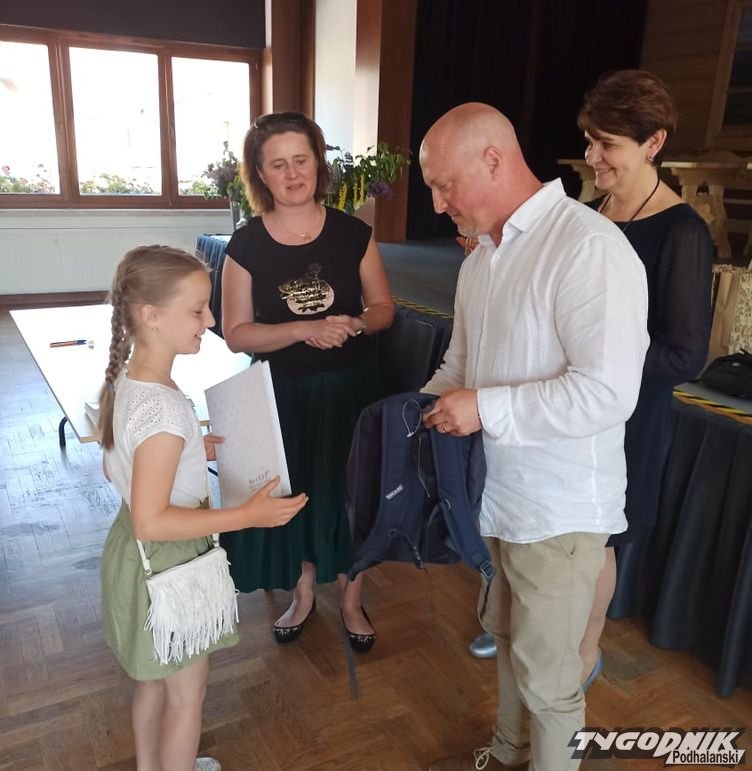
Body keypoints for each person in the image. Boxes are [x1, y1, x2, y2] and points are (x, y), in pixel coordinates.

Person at [418, 103, 649, 771]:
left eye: (443, 185)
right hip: (498, 497)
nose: (437, 205)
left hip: (560, 510)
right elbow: (460, 367)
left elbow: (607, 393)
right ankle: (509, 752)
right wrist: (411, 415)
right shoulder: (481, 261)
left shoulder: (588, 247)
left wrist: (483, 408)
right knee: (509, 640)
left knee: (551, 683)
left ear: (493, 160)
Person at [98, 245, 307, 771]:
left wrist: (191, 449)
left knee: (154, 680)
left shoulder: (129, 380)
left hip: (134, 555)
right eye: (197, 310)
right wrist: (247, 516)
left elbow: (119, 468)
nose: (211, 321)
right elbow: (154, 519)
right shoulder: (164, 411)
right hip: (169, 562)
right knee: (186, 697)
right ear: (151, 314)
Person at [220, 112, 394, 651]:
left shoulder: (354, 233)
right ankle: (302, 594)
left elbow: (383, 308)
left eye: (301, 160)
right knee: (292, 494)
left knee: (350, 494)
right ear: (260, 174)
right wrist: (304, 329)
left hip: (350, 389)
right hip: (282, 393)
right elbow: (236, 334)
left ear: (318, 165)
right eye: (278, 164)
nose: (292, 173)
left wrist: (354, 324)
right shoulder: (245, 244)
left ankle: (351, 599)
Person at [576, 69, 715, 684]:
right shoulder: (589, 213)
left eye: (607, 144)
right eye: (590, 140)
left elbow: (684, 356)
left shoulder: (683, 231)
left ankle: (584, 653)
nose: (592, 156)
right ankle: (533, 628)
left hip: (629, 417)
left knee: (596, 539)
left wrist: (598, 367)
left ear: (653, 143)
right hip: (570, 401)